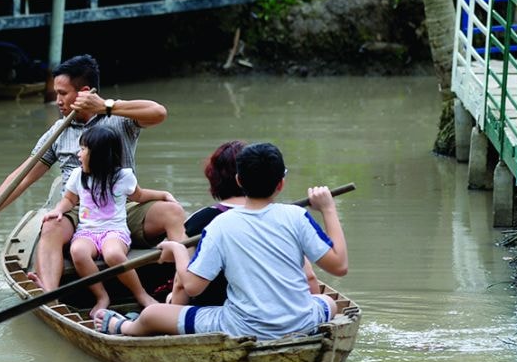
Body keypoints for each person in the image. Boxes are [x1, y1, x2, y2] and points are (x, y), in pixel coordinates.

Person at [0, 54, 186, 291]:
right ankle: (48, 295)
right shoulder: (58, 131)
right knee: (50, 225)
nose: (57, 100)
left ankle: (186, 284)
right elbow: (23, 176)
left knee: (172, 212)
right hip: (77, 212)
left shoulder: (117, 118)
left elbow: (159, 112)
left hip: (120, 208)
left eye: (63, 93)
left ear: (84, 92)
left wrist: (106, 106)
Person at [97, 143, 347, 340]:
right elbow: (339, 266)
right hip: (302, 322)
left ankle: (125, 328)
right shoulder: (297, 216)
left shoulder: (219, 225)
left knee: (152, 314)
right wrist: (328, 209)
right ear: (281, 183)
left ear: (239, 180)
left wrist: (177, 249)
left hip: (240, 327)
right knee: (328, 303)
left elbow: (193, 287)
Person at [45, 123, 178, 320]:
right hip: (87, 231)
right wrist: (57, 210)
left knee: (113, 254)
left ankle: (141, 294)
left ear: (98, 155)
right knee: (78, 252)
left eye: (83, 149)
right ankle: (102, 296)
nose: (78, 154)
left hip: (114, 231)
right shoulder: (77, 175)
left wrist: (163, 194)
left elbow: (139, 196)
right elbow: (69, 200)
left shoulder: (123, 176)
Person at [179, 141, 323, 307]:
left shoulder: (198, 222)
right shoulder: (283, 217)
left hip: (214, 311)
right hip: (278, 311)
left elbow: (182, 285)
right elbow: (309, 277)